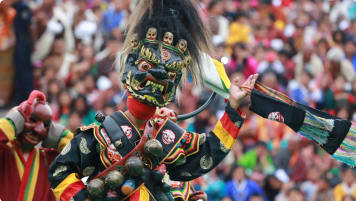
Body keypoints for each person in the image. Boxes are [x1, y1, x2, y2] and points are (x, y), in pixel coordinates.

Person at [48, 0, 258, 200]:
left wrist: (233, 108)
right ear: (129, 69)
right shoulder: (99, 135)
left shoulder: (169, 136)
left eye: (168, 72)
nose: (158, 75)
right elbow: (60, 171)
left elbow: (208, 154)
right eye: (146, 67)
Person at [0, 90, 73, 201]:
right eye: (32, 120)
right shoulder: (4, 152)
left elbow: (78, 153)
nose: (39, 130)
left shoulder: (48, 157)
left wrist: (58, 134)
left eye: (45, 124)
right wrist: (11, 122)